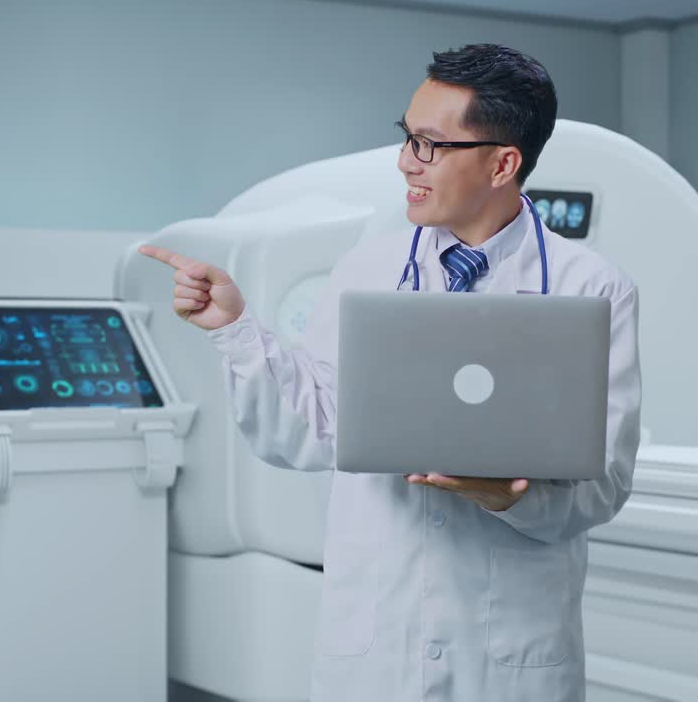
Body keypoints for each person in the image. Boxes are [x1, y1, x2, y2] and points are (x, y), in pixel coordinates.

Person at [140, 43, 641, 702]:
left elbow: (604, 484)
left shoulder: (592, 289)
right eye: (406, 138)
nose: (407, 162)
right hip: (378, 648)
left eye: (431, 145)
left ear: (503, 162)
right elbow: (311, 431)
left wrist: (511, 497)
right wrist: (236, 327)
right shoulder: (368, 269)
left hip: (509, 655)